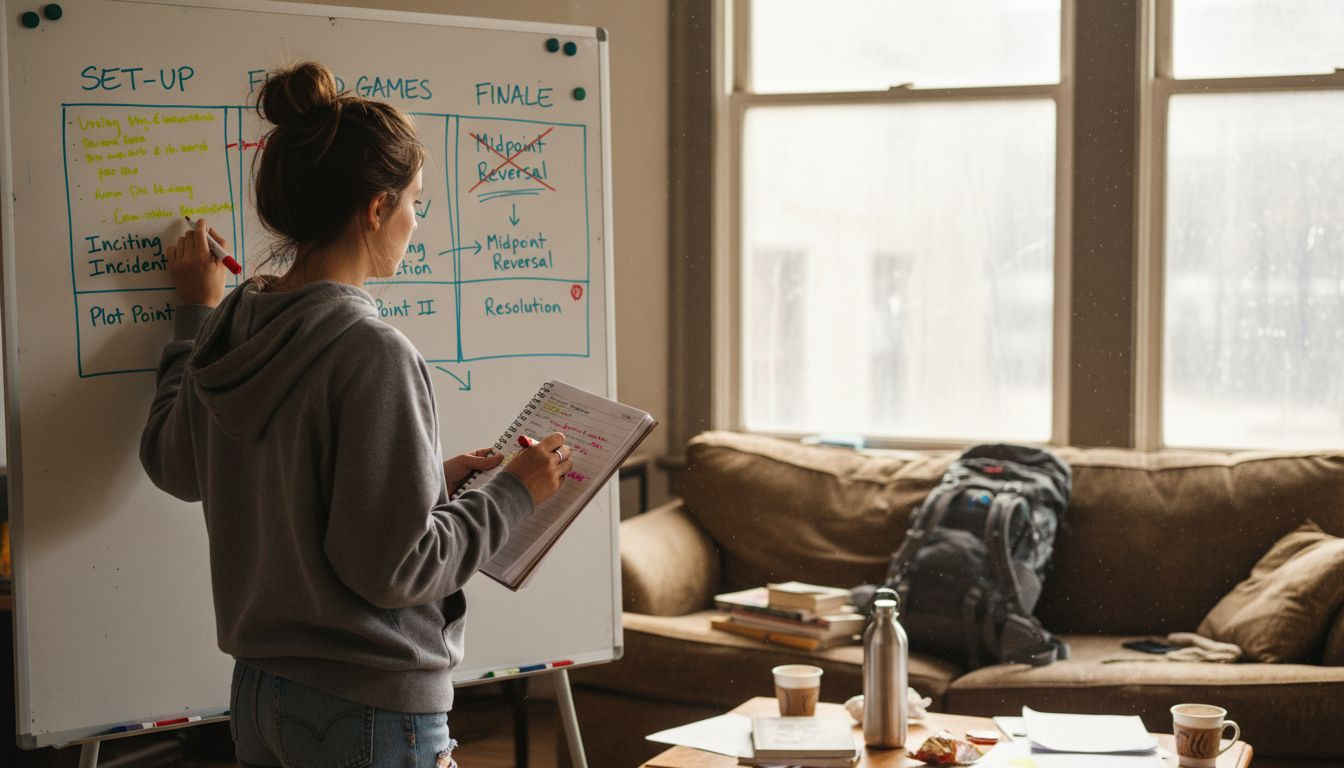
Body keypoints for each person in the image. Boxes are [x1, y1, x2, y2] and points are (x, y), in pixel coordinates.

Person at [139, 61, 571, 768]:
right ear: (375, 209)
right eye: (414, 203)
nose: (416, 223)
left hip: (260, 695)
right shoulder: (372, 352)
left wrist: (431, 479)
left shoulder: (232, 324)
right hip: (367, 706)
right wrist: (513, 494)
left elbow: (176, 465)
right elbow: (394, 569)